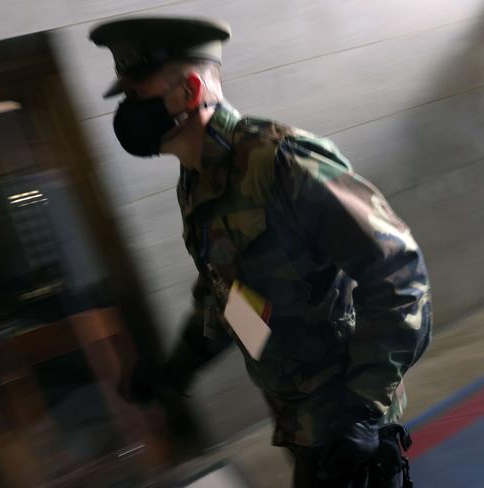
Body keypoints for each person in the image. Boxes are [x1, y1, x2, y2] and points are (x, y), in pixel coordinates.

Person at [90, 16, 432, 487]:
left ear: (190, 91)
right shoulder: (197, 184)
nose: (128, 111)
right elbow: (232, 298)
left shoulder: (281, 162)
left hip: (349, 423)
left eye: (137, 95)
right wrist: (177, 370)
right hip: (298, 420)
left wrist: (363, 410)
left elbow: (399, 275)